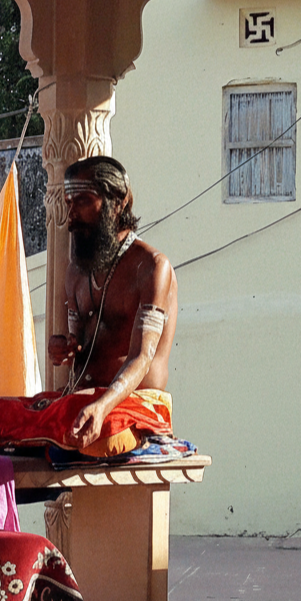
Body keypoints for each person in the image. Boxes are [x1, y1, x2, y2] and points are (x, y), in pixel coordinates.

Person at [47, 156, 178, 451]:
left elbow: (142, 357)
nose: (72, 214)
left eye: (82, 201)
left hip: (135, 410)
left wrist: (102, 406)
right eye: (69, 203)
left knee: (88, 437)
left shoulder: (153, 267)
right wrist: (63, 347)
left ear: (117, 202)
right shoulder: (76, 273)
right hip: (83, 402)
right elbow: (78, 347)